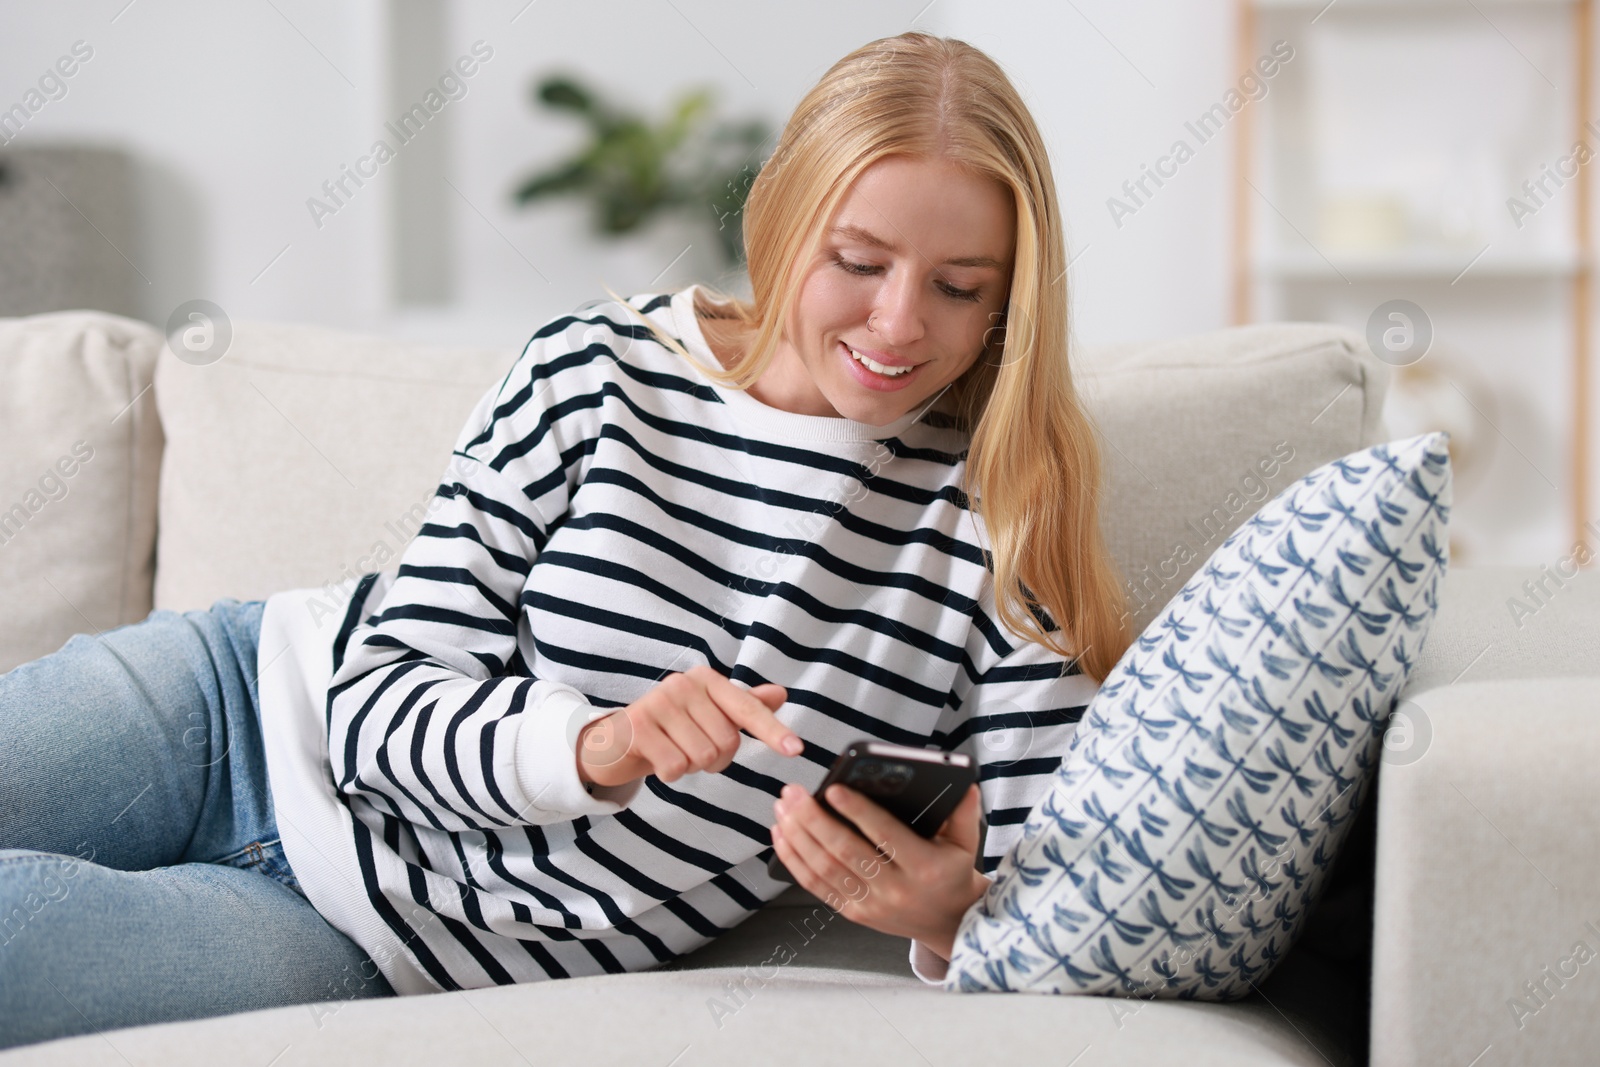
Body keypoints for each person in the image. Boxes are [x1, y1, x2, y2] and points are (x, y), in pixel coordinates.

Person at [0, 29, 1131, 1050]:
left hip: (385, 936)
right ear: (781, 219)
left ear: (1006, 302)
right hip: (238, 704)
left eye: (957, 286)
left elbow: (1070, 894)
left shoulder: (1004, 516)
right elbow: (373, 706)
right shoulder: (595, 372)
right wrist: (596, 748)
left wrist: (947, 914)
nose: (897, 323)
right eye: (859, 261)